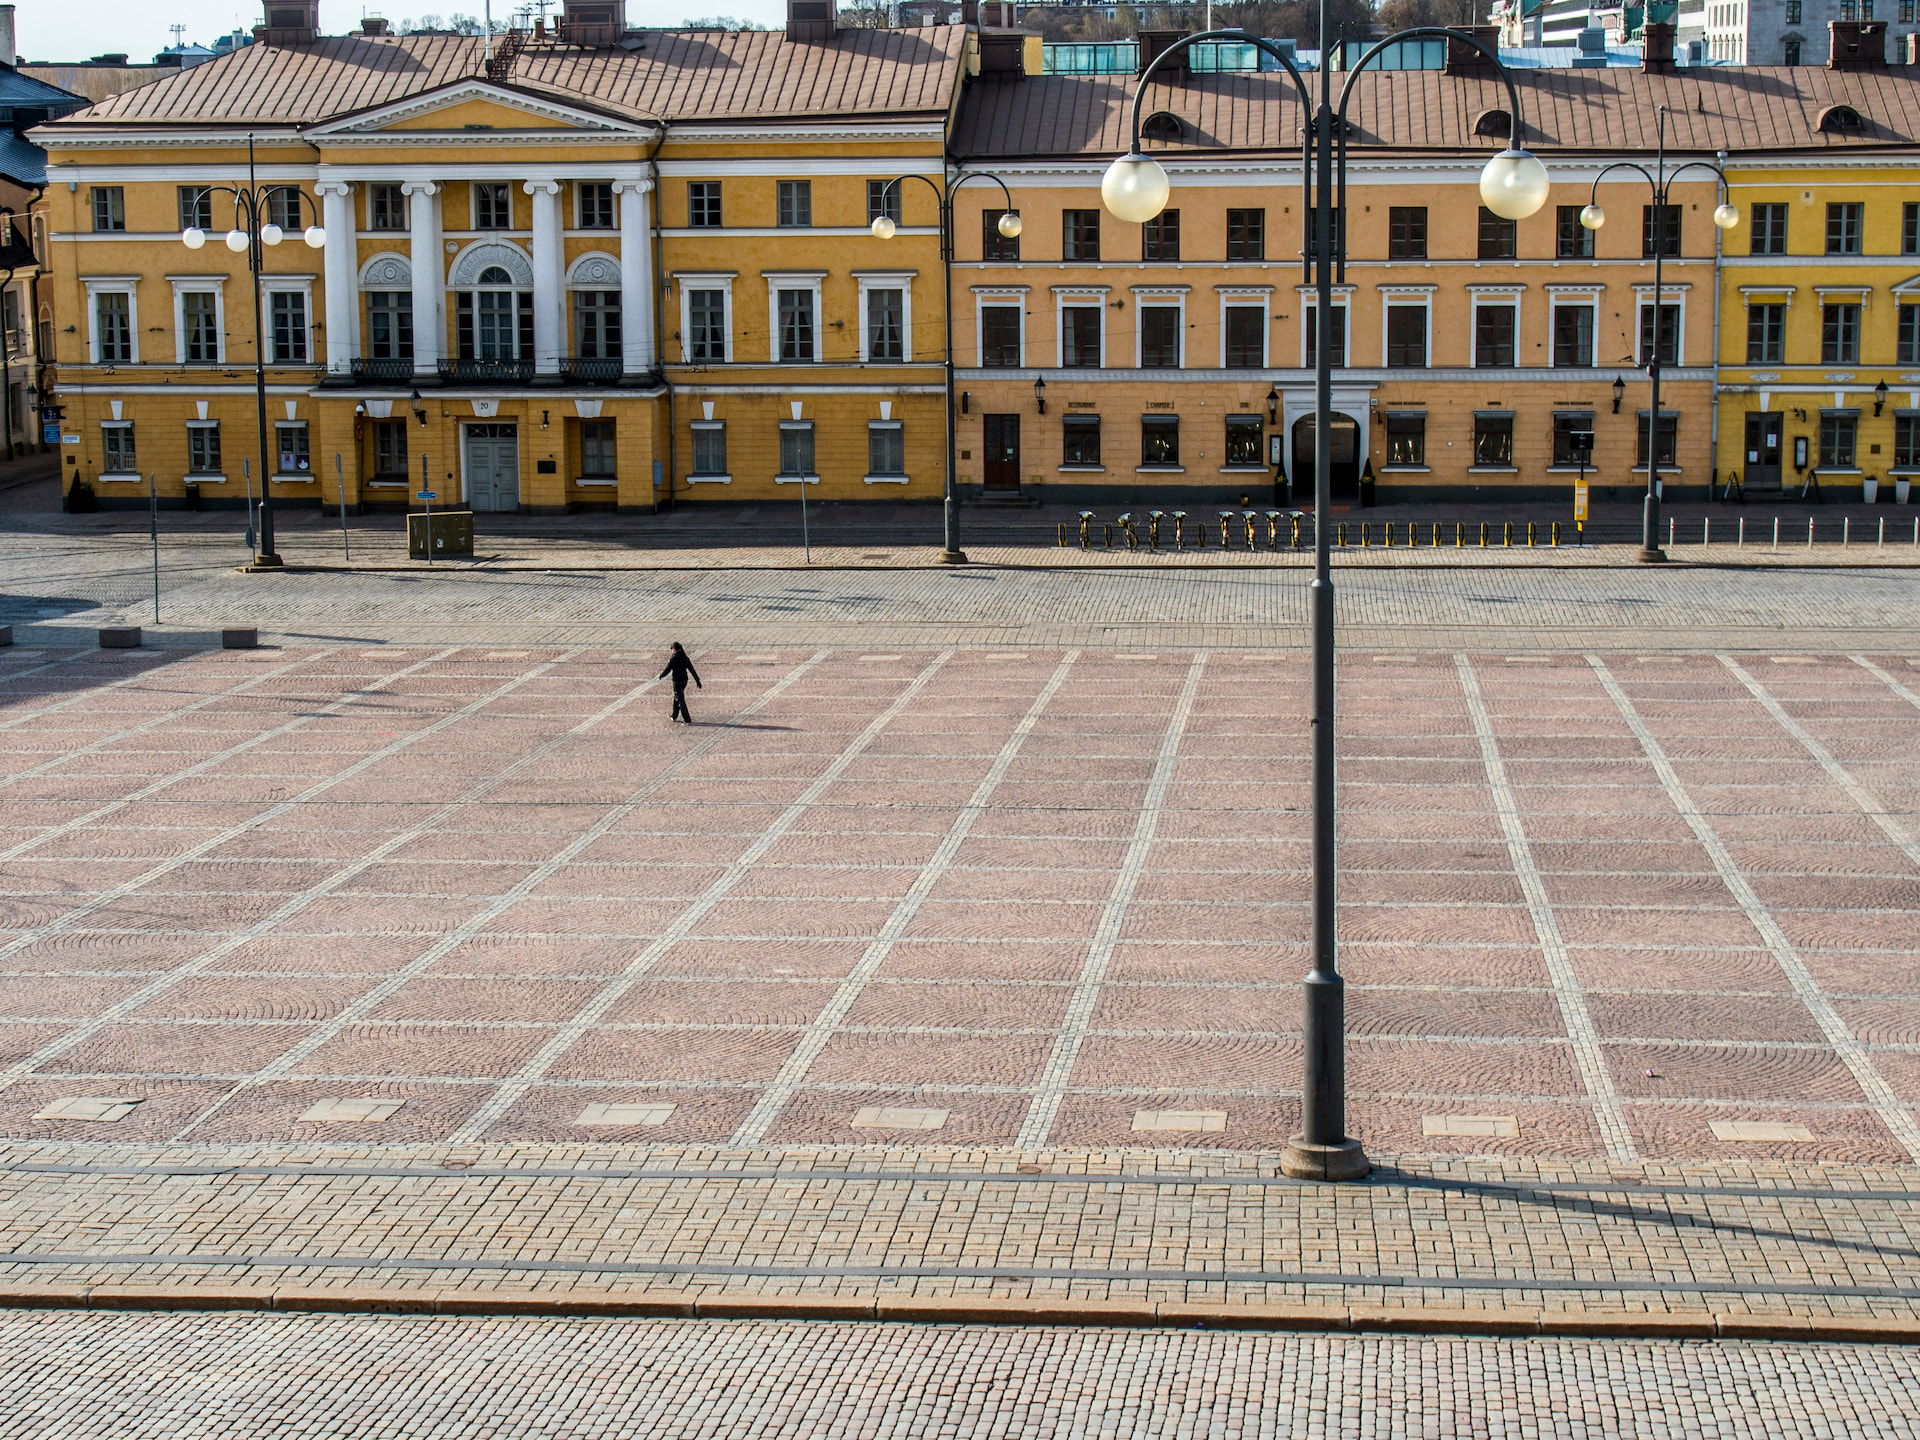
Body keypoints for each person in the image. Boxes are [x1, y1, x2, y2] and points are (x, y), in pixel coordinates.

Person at [659, 642, 702, 723]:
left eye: (671, 649)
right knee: (677, 696)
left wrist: (661, 675)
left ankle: (687, 719)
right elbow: (692, 670)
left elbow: (667, 669)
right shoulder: (685, 657)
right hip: (684, 681)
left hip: (677, 681)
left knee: (680, 699)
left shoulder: (673, 659)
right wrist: (697, 680)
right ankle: (674, 715)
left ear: (674, 649)